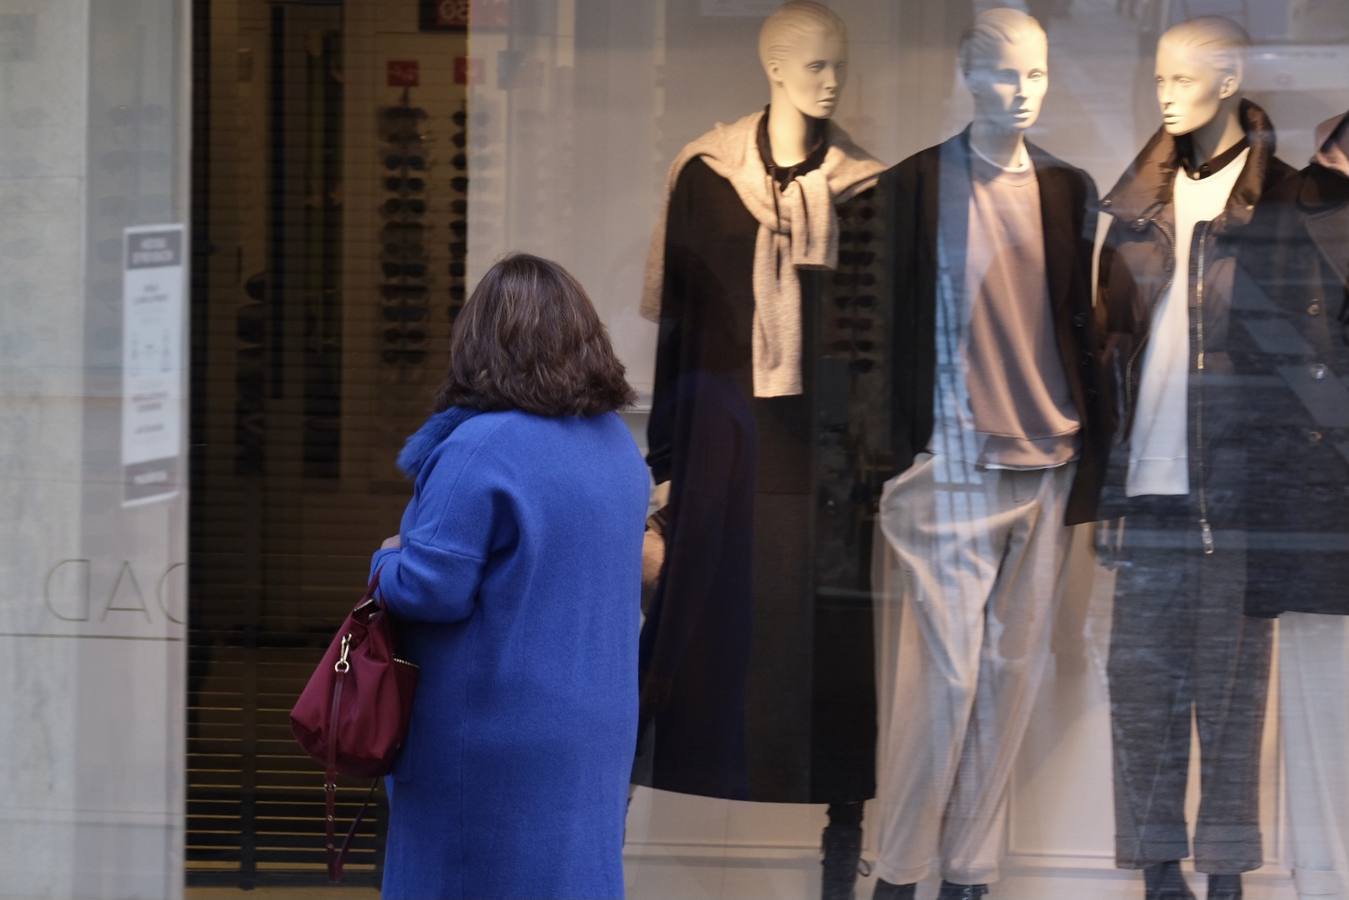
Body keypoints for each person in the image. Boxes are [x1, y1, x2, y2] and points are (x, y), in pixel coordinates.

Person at [636, 4, 885, 897]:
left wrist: (870, 470)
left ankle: (837, 856)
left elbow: (874, 352)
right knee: (691, 638)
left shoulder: (868, 189)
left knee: (826, 671)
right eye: (814, 65)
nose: (831, 82)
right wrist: (663, 463)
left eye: (839, 66)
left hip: (821, 471)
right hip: (720, 450)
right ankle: (613, 831)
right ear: (772, 67)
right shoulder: (704, 176)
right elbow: (680, 331)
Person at [870, 9, 1105, 899]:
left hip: (1048, 460)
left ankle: (968, 872)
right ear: (967, 75)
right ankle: (898, 872)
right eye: (1005, 74)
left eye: (1037, 75)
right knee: (942, 682)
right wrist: (894, 453)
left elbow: (1080, 329)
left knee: (1009, 680)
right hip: (953, 468)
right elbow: (874, 332)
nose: (1023, 92)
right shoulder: (914, 187)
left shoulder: (1067, 188)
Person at [368, 253, 650, 900]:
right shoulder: (615, 448)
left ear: (478, 341)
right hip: (595, 724)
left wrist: (385, 557)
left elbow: (430, 590)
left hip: (489, 727)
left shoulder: (481, 446)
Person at [1094, 16, 1293, 900]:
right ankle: (1160, 877)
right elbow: (1106, 358)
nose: (1165, 92)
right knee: (1140, 700)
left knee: (1231, 701)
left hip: (1238, 498)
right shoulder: (1132, 212)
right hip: (1146, 495)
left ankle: (1223, 880)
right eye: (1157, 78)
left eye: (1182, 77)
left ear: (1229, 79)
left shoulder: (1285, 204)